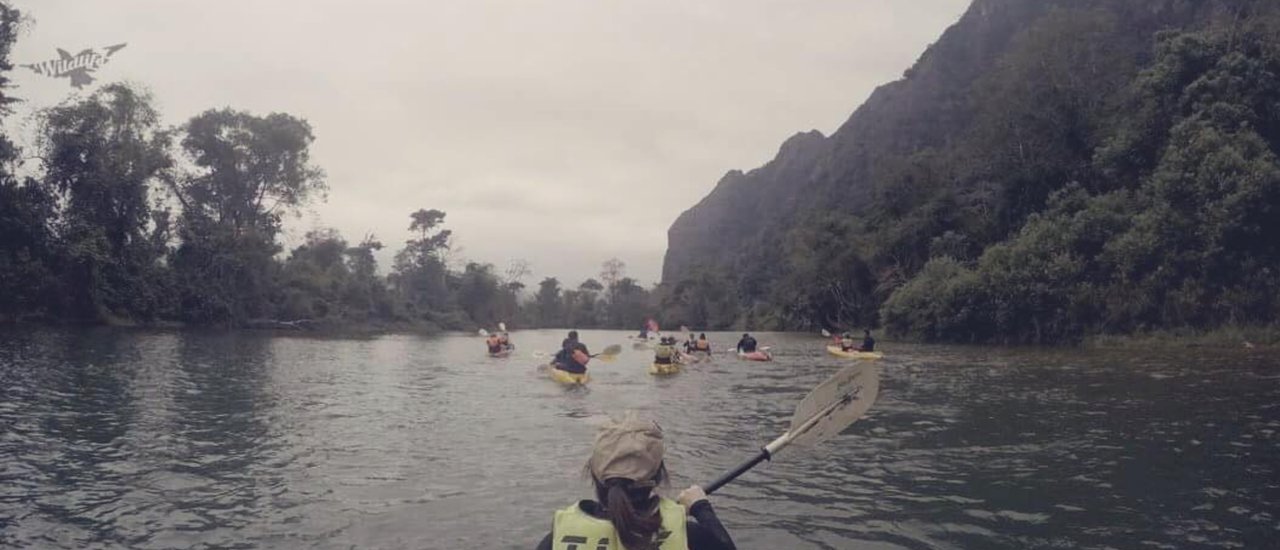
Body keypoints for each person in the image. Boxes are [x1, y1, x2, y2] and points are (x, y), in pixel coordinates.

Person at [535, 414, 736, 550]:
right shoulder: (690, 536)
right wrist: (701, 508)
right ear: (658, 475)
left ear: (594, 473)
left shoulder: (556, 540)